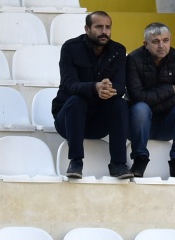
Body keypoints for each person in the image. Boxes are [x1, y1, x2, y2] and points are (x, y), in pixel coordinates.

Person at [53, 11, 133, 179]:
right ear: (87, 29)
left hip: (98, 123)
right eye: (99, 27)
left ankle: (118, 164)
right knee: (76, 101)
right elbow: (69, 84)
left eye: (108, 27)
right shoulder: (70, 48)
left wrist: (109, 90)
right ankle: (76, 161)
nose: (104, 31)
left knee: (120, 104)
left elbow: (121, 86)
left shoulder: (118, 50)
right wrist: (95, 87)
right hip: (68, 121)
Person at [126, 22, 175, 180]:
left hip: (167, 123)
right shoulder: (133, 59)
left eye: (165, 40)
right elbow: (138, 97)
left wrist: (155, 104)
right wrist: (170, 89)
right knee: (140, 108)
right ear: (145, 44)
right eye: (155, 41)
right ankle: (139, 159)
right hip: (139, 124)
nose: (161, 46)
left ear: (170, 40)